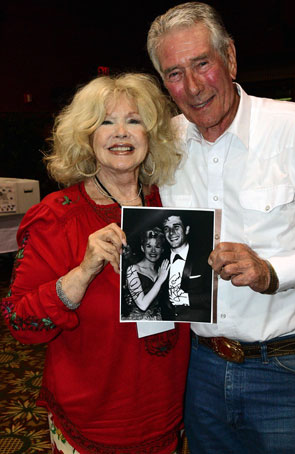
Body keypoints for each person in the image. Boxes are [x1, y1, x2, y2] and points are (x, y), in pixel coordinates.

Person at [147, 2, 295, 454]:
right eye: (173, 73)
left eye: (201, 64)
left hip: (289, 371)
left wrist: (272, 271)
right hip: (200, 371)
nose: (191, 87)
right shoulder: (163, 144)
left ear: (229, 58)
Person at [0, 73, 190, 454]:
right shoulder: (56, 217)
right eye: (106, 121)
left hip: (167, 410)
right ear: (86, 137)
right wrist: (84, 271)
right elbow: (19, 322)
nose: (121, 132)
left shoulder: (172, 208)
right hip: (92, 418)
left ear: (151, 134)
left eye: (134, 120)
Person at [160, 212, 212, 322]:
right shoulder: (159, 261)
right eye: (166, 229)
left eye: (176, 227)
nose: (171, 233)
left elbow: (216, 297)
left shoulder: (205, 258)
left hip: (199, 327)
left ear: (187, 230)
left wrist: (187, 299)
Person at [123, 227, 169, 320]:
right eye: (148, 246)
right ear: (142, 248)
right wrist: (160, 280)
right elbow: (143, 305)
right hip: (136, 322)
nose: (153, 250)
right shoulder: (133, 269)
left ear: (162, 250)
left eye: (157, 246)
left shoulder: (161, 271)